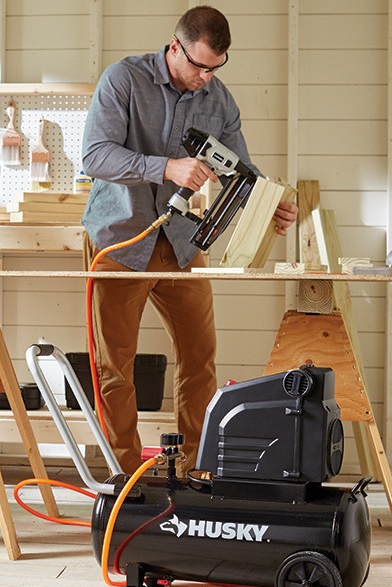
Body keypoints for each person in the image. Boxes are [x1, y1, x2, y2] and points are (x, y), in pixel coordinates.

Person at [80, 5, 298, 473]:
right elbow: (95, 155)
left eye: (215, 67)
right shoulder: (124, 80)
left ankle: (195, 470)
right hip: (120, 239)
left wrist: (269, 204)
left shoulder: (219, 100)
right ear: (174, 47)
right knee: (115, 368)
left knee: (200, 358)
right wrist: (165, 166)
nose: (206, 77)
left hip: (180, 244)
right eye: (199, 65)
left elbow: (241, 173)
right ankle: (124, 477)